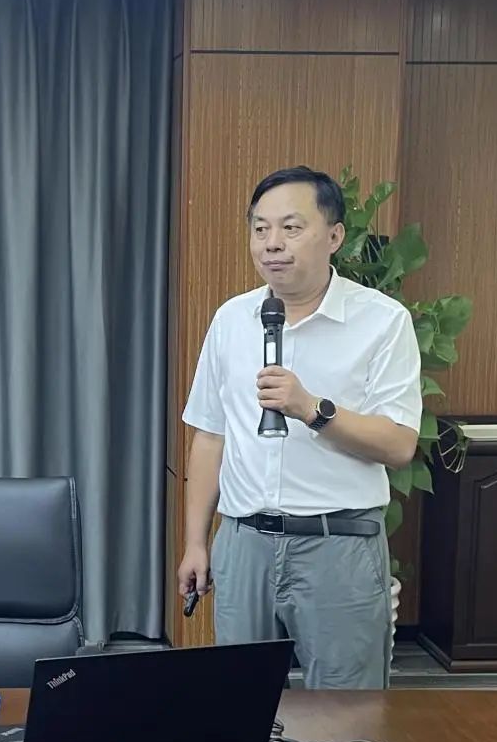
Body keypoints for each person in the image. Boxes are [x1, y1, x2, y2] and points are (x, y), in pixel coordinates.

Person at [178, 166, 421, 689]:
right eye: (260, 229)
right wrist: (197, 542)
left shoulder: (382, 322)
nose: (272, 244)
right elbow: (210, 436)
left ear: (334, 236)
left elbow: (400, 444)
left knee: (348, 712)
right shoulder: (231, 319)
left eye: (291, 228)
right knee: (239, 703)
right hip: (244, 543)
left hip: (340, 546)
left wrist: (313, 409)